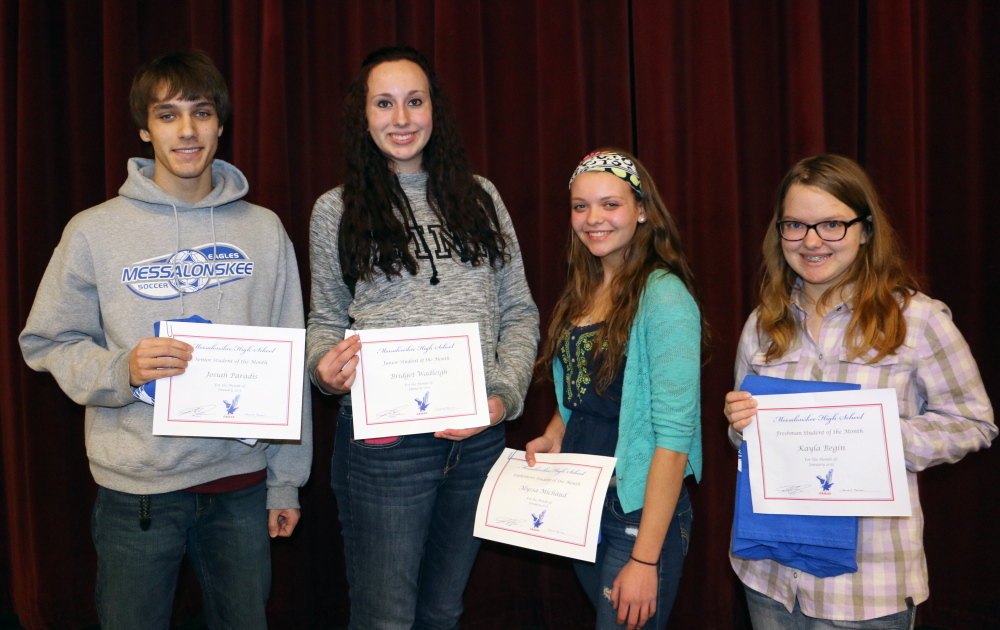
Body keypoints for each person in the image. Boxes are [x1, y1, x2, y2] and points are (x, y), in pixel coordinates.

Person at [18, 51, 312, 630]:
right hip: (138, 493)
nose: (186, 130)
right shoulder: (94, 229)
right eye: (168, 114)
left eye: (201, 112)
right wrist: (121, 370)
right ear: (144, 128)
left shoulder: (264, 229)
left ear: (220, 125)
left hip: (241, 487)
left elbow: (292, 360)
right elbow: (46, 340)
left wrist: (286, 483)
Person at [305, 46, 539, 629]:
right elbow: (325, 322)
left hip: (477, 437)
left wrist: (501, 399)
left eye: (415, 101)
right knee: (386, 619)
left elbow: (520, 311)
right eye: (384, 104)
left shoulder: (480, 197)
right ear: (364, 116)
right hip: (386, 450)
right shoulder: (334, 210)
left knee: (442, 610)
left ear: (436, 110)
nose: (402, 118)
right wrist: (322, 368)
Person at [723, 154, 996, 629]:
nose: (811, 241)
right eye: (795, 225)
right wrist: (739, 424)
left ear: (865, 230)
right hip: (768, 575)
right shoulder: (763, 324)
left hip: (868, 588)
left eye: (832, 224)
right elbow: (744, 445)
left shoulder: (919, 319)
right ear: (779, 232)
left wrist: (876, 437)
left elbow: (975, 423)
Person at [526, 150, 704, 630]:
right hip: (583, 501)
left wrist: (645, 560)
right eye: (580, 207)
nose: (593, 219)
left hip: (637, 511)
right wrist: (555, 431)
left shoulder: (664, 297)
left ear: (642, 209)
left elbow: (673, 438)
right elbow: (585, 393)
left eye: (610, 204)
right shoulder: (584, 289)